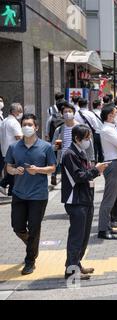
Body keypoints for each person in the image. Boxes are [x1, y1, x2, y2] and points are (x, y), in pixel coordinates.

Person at [5, 114, 57, 275]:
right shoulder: (14, 147)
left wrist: (38, 170)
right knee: (17, 226)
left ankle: (30, 261)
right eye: (24, 124)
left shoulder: (45, 147)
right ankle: (32, 246)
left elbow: (52, 168)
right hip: (19, 193)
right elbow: (8, 167)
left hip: (38, 195)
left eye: (29, 124)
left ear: (36, 127)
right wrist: (15, 170)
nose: (26, 127)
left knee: (34, 228)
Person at [62, 125, 109, 281]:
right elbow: (80, 176)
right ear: (77, 138)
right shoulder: (69, 154)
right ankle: (71, 270)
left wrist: (95, 169)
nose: (89, 141)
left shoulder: (80, 152)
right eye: (87, 138)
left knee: (84, 236)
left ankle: (76, 263)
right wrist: (96, 170)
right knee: (77, 236)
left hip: (85, 199)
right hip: (76, 200)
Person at [97, 104, 117, 240]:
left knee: (114, 196)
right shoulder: (107, 130)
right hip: (112, 163)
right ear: (109, 115)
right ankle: (103, 229)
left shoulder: (111, 128)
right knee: (109, 198)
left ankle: (107, 226)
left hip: (116, 162)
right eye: (115, 113)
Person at [0, 103, 23, 196]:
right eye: (20, 111)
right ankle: (6, 187)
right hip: (14, 150)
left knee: (11, 170)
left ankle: (7, 188)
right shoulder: (14, 122)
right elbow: (19, 137)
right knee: (14, 171)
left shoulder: (4, 121)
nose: (21, 113)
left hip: (5, 150)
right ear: (14, 112)